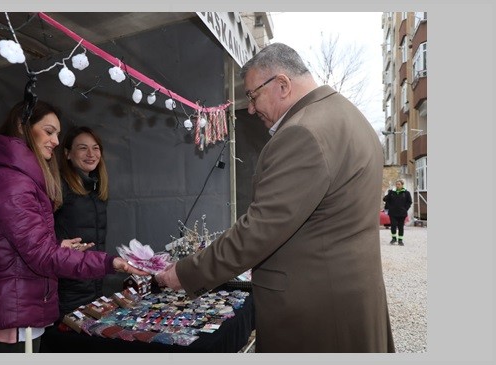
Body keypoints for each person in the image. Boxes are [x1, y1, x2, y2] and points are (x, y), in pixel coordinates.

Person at [155, 43, 394, 352]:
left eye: (253, 96)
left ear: (282, 84)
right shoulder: (349, 116)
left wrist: (185, 273)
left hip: (316, 314)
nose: (251, 109)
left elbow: (259, 229)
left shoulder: (303, 132)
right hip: (349, 299)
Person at [0, 100, 147, 352]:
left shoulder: (15, 179)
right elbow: (40, 256)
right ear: (22, 126)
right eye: (49, 131)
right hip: (16, 317)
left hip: (21, 312)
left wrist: (57, 246)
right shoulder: (12, 183)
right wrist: (109, 263)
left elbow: (20, 246)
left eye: (57, 134)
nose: (55, 140)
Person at [54, 126, 110, 316]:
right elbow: (37, 236)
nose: (91, 154)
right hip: (66, 290)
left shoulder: (96, 189)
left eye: (95, 148)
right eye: (82, 148)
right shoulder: (58, 187)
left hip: (94, 287)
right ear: (68, 154)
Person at [383, 179, 413, 245]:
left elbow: (409, 202)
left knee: (400, 227)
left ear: (402, 185)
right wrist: (389, 193)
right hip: (393, 213)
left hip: (402, 213)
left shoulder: (406, 193)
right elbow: (385, 199)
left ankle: (400, 240)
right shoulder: (392, 192)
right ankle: (394, 239)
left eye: (399, 184)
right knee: (393, 226)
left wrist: (405, 209)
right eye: (396, 184)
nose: (397, 185)